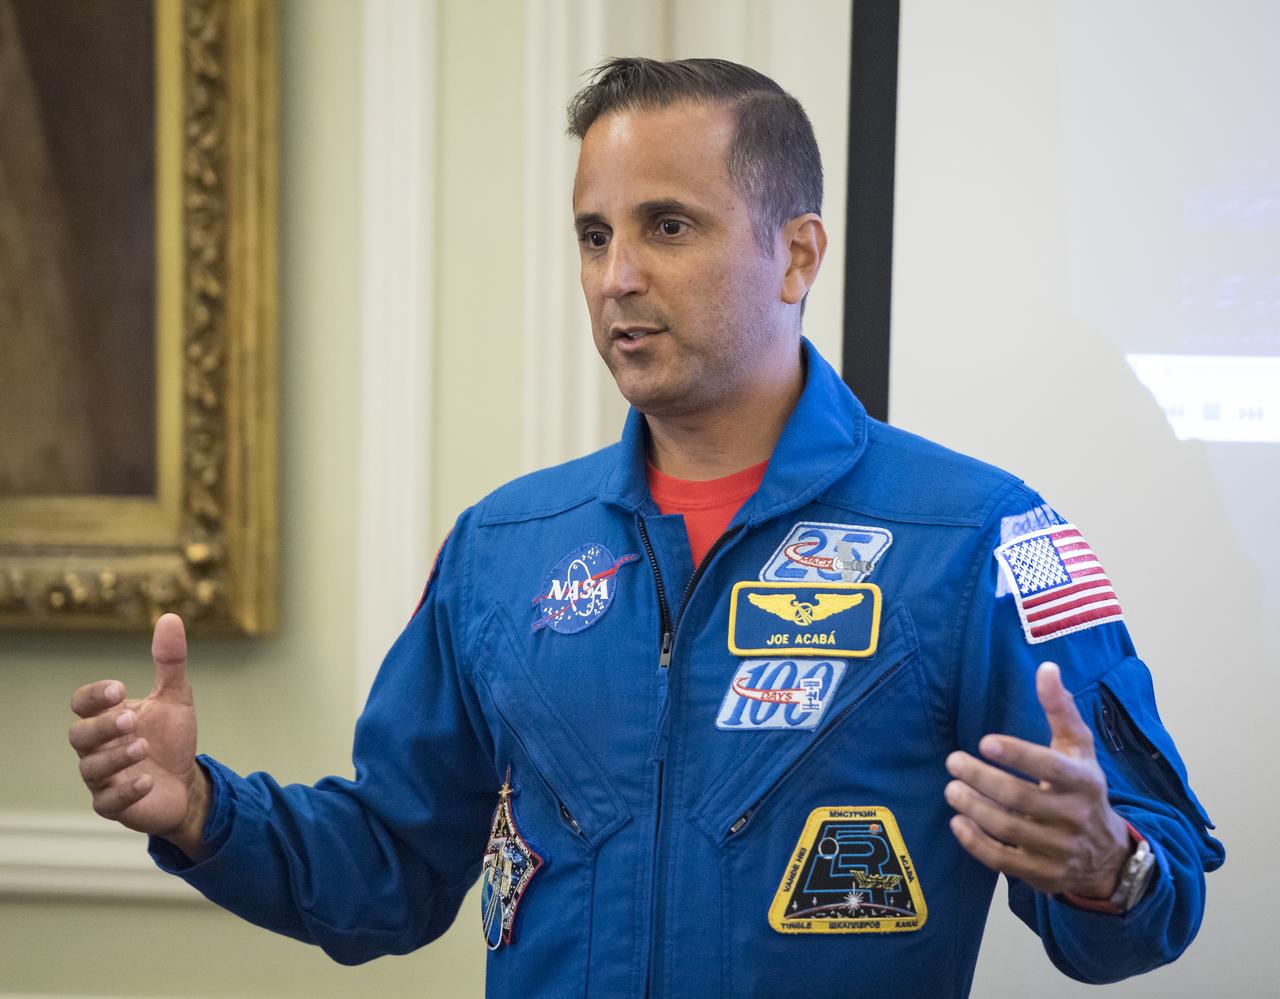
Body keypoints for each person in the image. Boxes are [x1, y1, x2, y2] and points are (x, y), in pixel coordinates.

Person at [68, 58, 1222, 997]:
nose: (616, 277)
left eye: (666, 227)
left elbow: (1150, 897)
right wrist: (204, 810)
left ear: (797, 255)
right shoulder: (505, 545)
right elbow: (392, 873)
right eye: (591, 234)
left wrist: (1105, 869)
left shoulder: (976, 537)